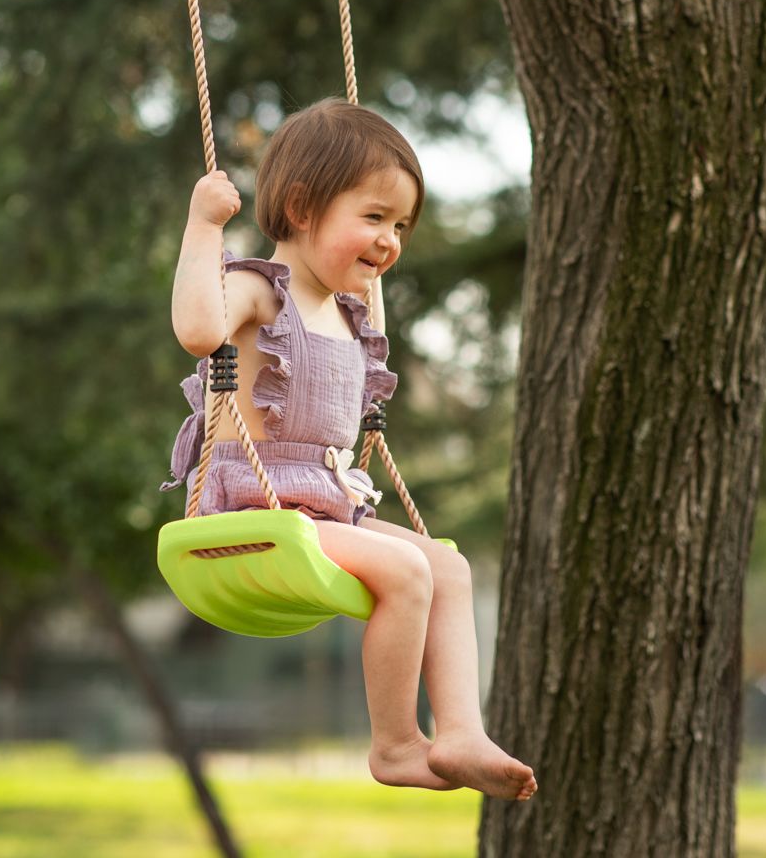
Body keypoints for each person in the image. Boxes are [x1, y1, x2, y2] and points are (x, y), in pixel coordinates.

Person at [163, 98, 537, 800]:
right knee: (404, 571)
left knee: (448, 568)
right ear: (303, 208)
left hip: (323, 512)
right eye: (374, 217)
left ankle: (460, 730)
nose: (391, 239)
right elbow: (195, 329)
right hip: (250, 509)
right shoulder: (256, 289)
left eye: (400, 225)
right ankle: (396, 744)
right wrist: (203, 226)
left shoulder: (347, 314)